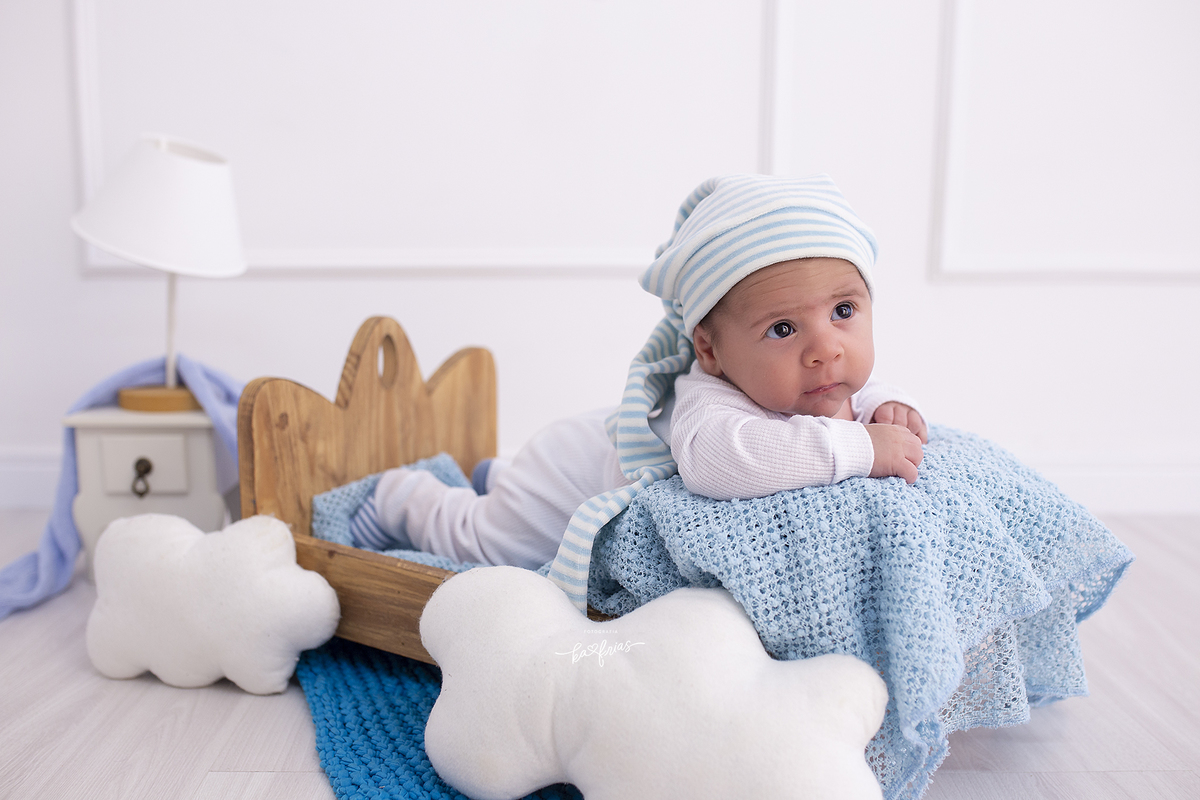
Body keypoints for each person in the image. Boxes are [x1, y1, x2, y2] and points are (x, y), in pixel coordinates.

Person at [350, 174, 927, 584]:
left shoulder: (816, 381)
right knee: (483, 543)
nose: (825, 350)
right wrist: (859, 446)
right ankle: (403, 498)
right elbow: (721, 463)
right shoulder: (710, 410)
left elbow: (858, 399)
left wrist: (889, 406)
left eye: (844, 313)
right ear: (711, 351)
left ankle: (492, 473)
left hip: (583, 447)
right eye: (782, 329)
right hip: (565, 479)